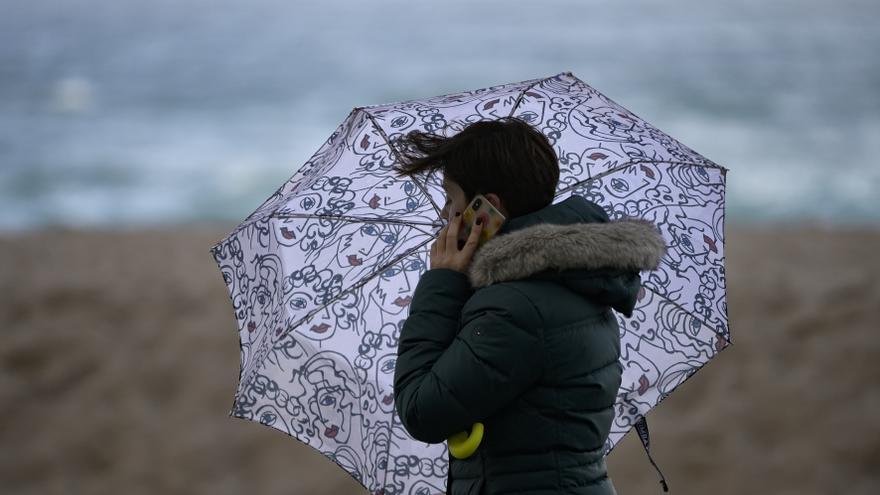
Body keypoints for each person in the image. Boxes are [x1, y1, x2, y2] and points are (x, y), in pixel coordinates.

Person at [391, 117, 667, 495]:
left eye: (450, 198)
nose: (444, 214)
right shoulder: (571, 277)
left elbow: (422, 411)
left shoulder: (514, 306)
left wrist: (442, 282)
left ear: (485, 208)